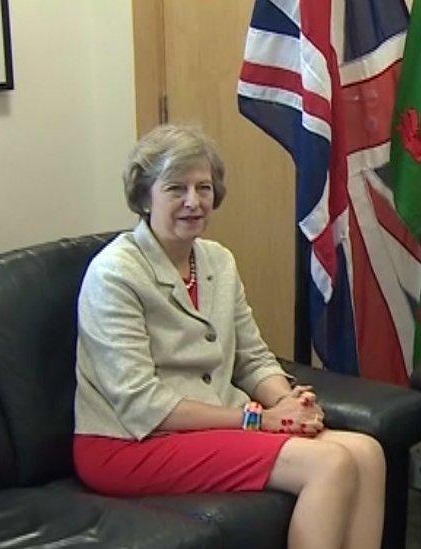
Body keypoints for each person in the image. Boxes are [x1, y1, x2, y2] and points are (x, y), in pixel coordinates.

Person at [73, 124, 385, 549]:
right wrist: (258, 419)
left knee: (368, 454)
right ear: (145, 198)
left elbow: (252, 358)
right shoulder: (116, 273)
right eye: (176, 188)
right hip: (128, 441)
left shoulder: (217, 260)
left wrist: (286, 402)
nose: (193, 201)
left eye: (203, 187)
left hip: (203, 426)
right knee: (328, 463)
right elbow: (140, 402)